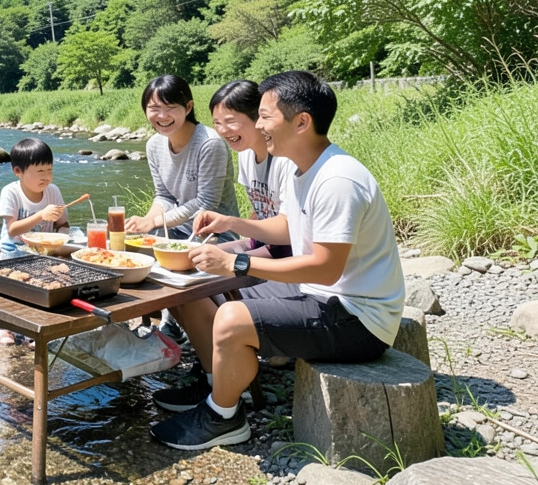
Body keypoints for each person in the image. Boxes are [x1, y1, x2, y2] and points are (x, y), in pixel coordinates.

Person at [148, 71, 405, 451]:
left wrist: (237, 265)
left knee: (233, 317)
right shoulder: (309, 169)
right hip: (321, 297)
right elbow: (288, 227)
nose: (259, 125)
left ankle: (224, 416)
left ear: (302, 122)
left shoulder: (338, 179)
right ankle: (217, 385)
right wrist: (232, 224)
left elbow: (325, 267)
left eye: (265, 116)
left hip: (358, 318)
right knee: (193, 289)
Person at [125, 75, 238, 241]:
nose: (162, 116)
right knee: (130, 246)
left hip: (213, 236)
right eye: (154, 108)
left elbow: (205, 203)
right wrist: (145, 222)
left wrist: (155, 222)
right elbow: (165, 197)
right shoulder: (154, 145)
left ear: (188, 107)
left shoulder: (209, 143)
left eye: (171, 108)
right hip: (174, 230)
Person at [0, 137, 69, 345]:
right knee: (10, 292)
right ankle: (4, 328)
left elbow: (63, 224)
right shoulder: (11, 192)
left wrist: (61, 237)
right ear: (18, 171)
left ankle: (33, 331)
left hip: (41, 252)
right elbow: (12, 230)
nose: (46, 177)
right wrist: (41, 216)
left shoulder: (53, 192)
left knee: (40, 290)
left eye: (49, 170)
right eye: (40, 172)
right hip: (12, 251)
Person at [209, 80, 294, 260]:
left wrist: (231, 223)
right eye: (217, 123)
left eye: (230, 121)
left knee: (211, 270)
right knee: (192, 256)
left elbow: (290, 231)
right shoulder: (245, 154)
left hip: (290, 251)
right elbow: (259, 212)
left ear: (259, 117)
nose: (223, 131)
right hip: (263, 242)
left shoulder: (286, 160)